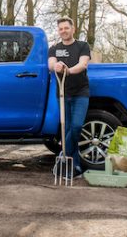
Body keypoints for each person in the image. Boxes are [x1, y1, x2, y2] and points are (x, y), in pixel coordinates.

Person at [48, 17, 91, 177]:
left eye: (66, 28)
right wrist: (56, 66)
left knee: (77, 126)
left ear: (73, 29)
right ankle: (75, 167)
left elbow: (83, 64)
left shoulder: (82, 46)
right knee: (66, 128)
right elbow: (51, 64)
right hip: (62, 92)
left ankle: (63, 156)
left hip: (80, 92)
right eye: (61, 29)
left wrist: (68, 70)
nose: (63, 31)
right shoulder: (54, 48)